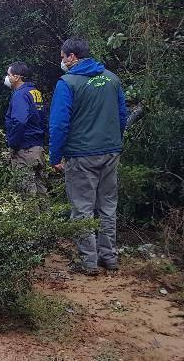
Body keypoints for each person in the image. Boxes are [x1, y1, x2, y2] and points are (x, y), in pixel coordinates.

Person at [49, 38, 127, 276]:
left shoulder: (67, 83)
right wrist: (114, 141)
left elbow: (59, 124)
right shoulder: (112, 79)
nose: (62, 61)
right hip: (111, 152)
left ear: (72, 57)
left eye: (63, 57)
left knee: (82, 208)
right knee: (108, 206)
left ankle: (89, 262)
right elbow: (122, 115)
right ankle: (109, 257)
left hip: (81, 155)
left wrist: (55, 156)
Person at [4, 62, 47, 195]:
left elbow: (19, 121)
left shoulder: (20, 95)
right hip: (38, 148)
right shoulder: (35, 92)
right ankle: (46, 216)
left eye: (8, 74)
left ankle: (33, 217)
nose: (7, 78)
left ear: (16, 77)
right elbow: (44, 119)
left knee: (27, 193)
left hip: (24, 150)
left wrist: (13, 144)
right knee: (40, 189)